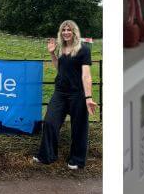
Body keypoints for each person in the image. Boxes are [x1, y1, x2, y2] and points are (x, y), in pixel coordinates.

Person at [33, 20, 98, 169]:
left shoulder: (83, 49)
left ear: (74, 32)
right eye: (63, 30)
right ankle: (47, 156)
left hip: (78, 94)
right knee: (49, 122)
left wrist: (88, 98)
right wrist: (52, 53)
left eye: (69, 30)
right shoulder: (61, 48)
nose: (66, 32)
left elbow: (86, 75)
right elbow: (59, 68)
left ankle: (77, 160)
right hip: (60, 92)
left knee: (79, 127)